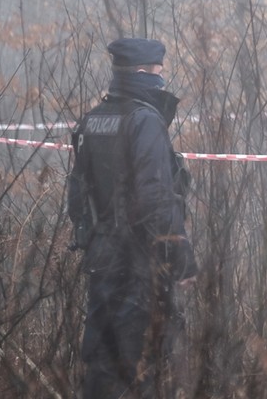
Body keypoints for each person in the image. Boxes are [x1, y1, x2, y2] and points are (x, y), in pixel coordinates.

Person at [67, 38, 198, 398]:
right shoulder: (144, 121)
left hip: (102, 260)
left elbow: (77, 196)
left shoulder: (92, 121)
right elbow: (155, 197)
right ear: (144, 73)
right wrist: (179, 256)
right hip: (139, 262)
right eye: (158, 72)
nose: (162, 80)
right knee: (141, 362)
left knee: (102, 362)